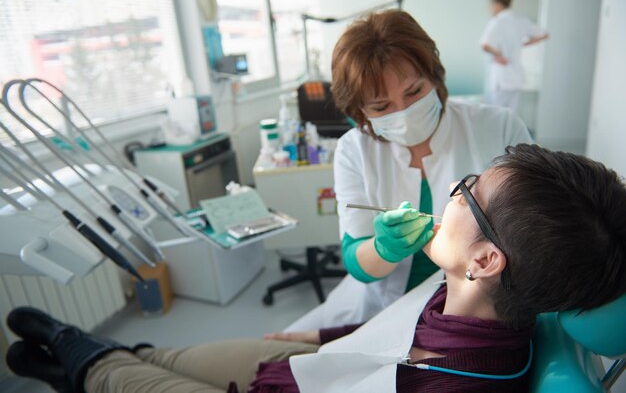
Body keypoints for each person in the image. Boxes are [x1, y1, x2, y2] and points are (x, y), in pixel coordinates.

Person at [7, 144, 626, 393]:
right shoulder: (474, 298)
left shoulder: (454, 381)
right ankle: (86, 363)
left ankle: (78, 355)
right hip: (321, 359)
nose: (453, 193)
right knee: (166, 357)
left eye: (468, 192)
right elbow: (385, 342)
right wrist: (311, 337)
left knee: (117, 375)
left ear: (488, 259)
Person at [285, 9, 532, 332]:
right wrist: (382, 249)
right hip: (379, 310)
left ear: (434, 75)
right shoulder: (353, 150)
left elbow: (534, 228)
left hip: (478, 311)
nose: (404, 112)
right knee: (283, 353)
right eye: (381, 106)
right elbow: (356, 260)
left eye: (414, 91)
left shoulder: (499, 127)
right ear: (358, 113)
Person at [480, 0, 549, 113]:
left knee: (497, 116)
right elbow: (544, 34)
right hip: (516, 77)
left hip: (501, 78)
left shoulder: (497, 22)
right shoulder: (521, 20)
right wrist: (526, 43)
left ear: (497, 4)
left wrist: (498, 54)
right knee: (512, 117)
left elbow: (484, 45)